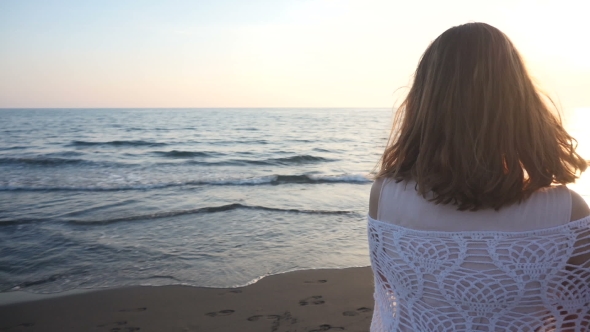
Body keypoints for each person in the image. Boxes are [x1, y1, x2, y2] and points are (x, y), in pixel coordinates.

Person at [368, 22, 590, 331]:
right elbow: (576, 319)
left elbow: (396, 302)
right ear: (521, 104)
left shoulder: (385, 196)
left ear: (423, 103)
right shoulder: (567, 214)